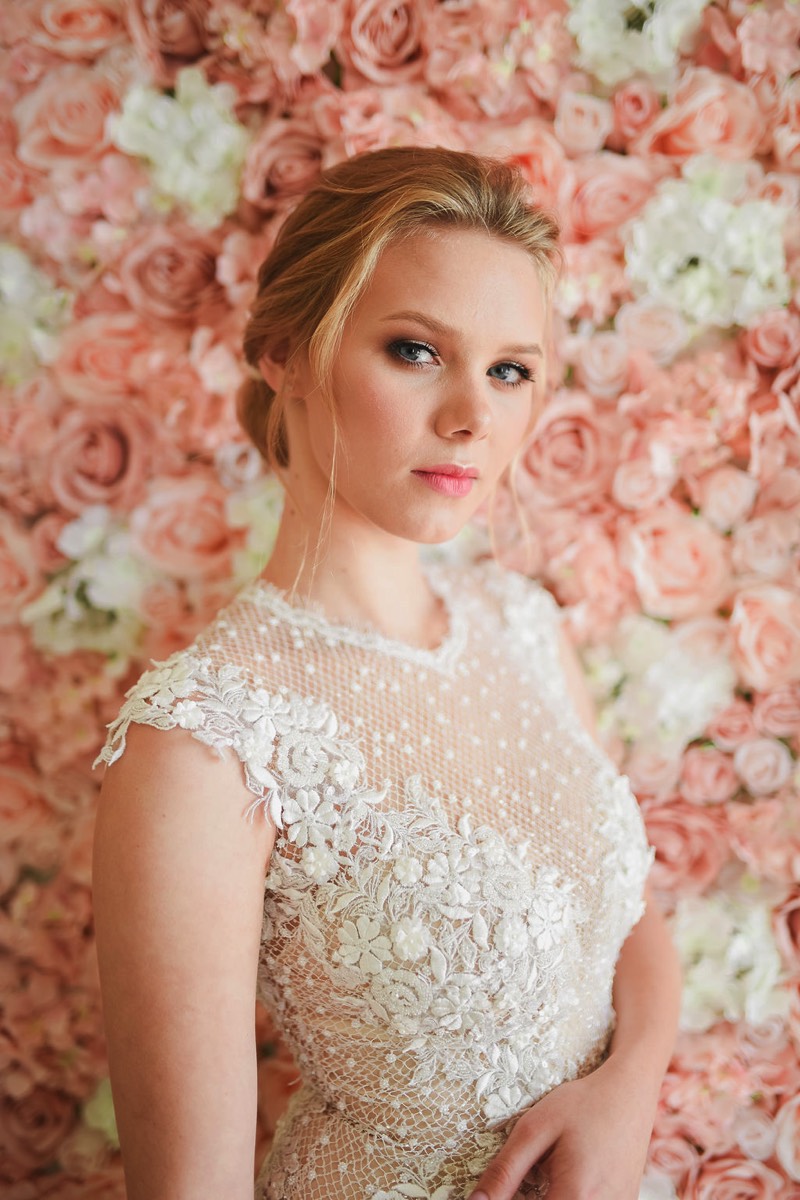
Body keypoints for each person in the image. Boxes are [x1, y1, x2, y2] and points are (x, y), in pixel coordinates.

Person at [91, 145, 682, 1200]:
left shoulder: (523, 629)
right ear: (284, 353)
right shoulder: (208, 739)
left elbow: (631, 913)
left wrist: (624, 1089)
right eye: (415, 351)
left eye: (509, 369)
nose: (472, 416)